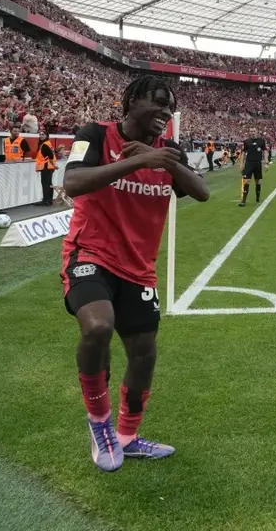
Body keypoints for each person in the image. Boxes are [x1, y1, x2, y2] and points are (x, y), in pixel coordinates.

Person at [60, 77, 209, 473]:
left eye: (169, 106)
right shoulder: (94, 134)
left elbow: (202, 191)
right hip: (89, 251)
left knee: (143, 354)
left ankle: (128, 436)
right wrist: (137, 161)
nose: (165, 111)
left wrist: (166, 160)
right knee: (97, 328)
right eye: (157, 102)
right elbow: (72, 182)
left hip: (139, 267)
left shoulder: (169, 151)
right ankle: (100, 426)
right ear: (130, 103)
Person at [238, 130, 269, 207]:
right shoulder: (246, 141)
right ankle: (243, 201)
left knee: (258, 182)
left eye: (254, 131)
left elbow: (265, 151)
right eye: (251, 131)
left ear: (257, 132)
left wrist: (266, 162)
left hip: (258, 163)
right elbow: (244, 153)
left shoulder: (261, 141)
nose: (252, 132)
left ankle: (257, 198)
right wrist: (241, 164)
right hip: (249, 163)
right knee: (246, 181)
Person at [35, 129, 57, 206]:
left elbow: (50, 156)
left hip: (46, 166)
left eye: (42, 134)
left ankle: (46, 200)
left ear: (46, 136)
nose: (41, 136)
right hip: (49, 167)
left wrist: (54, 165)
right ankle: (49, 200)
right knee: (49, 183)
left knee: (45, 184)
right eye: (40, 134)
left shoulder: (44, 145)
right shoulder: (48, 144)